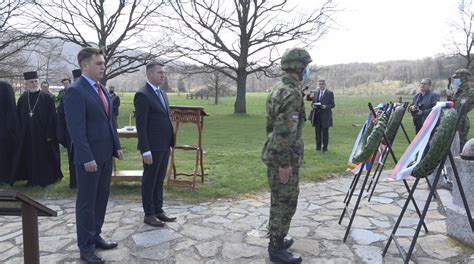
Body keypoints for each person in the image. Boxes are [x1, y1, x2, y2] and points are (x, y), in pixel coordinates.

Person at [63, 47, 123, 264]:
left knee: (101, 198)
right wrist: (87, 157)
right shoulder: (75, 91)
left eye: (103, 63)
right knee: (86, 203)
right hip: (89, 159)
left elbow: (109, 121)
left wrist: (116, 146)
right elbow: (76, 130)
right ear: (84, 65)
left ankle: (95, 235)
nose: (103, 67)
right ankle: (86, 247)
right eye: (99, 64)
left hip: (106, 155)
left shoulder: (103, 88)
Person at [261, 48, 312, 264]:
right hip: (283, 157)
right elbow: (284, 131)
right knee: (285, 202)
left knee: (278, 199)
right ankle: (276, 248)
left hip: (276, 153)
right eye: (306, 66)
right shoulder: (291, 94)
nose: (308, 70)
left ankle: (278, 237)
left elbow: (273, 126)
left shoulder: (280, 88)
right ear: (299, 67)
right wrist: (285, 163)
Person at [134, 61, 176, 227]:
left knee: (159, 179)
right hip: (152, 147)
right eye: (159, 73)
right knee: (150, 180)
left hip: (164, 145)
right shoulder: (143, 95)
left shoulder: (162, 93)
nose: (163, 75)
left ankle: (159, 210)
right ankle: (149, 213)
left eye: (164, 73)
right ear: (149, 74)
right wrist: (145, 150)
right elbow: (141, 125)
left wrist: (170, 143)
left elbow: (165, 118)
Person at [10, 71, 63, 187]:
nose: (34, 84)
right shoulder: (23, 99)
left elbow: (53, 117)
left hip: (44, 135)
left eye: (35, 81)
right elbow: (18, 118)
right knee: (30, 157)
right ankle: (32, 179)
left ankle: (47, 179)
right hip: (28, 135)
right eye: (31, 82)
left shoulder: (47, 97)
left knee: (45, 157)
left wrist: (50, 134)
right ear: (26, 84)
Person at [447, 68, 474, 150]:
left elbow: (461, 107)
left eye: (457, 78)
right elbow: (451, 106)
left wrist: (451, 96)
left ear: (464, 79)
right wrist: (449, 96)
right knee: (452, 145)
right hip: (454, 119)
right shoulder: (458, 92)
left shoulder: (470, 92)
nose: (455, 80)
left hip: (461, 122)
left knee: (460, 145)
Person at [57, 75, 76, 189]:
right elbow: (60, 115)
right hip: (71, 133)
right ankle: (74, 183)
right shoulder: (66, 96)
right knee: (73, 158)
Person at [306, 79, 335, 152]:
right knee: (317, 133)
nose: (321, 85)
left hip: (325, 116)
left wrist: (326, 106)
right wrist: (314, 106)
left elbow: (332, 104)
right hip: (317, 116)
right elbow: (312, 103)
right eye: (320, 84)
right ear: (318, 85)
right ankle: (318, 148)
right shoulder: (316, 93)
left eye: (322, 84)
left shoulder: (330, 93)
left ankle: (325, 149)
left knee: (325, 133)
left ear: (325, 85)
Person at [0, 81, 18, 184]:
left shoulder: (4, 87)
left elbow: (11, 109)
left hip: (3, 128)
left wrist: (10, 128)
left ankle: (5, 177)